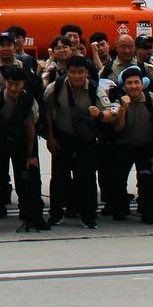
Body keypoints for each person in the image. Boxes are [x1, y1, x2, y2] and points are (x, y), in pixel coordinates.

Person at [0, 67, 46, 229]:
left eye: (17, 84)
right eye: (10, 83)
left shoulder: (29, 101)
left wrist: (30, 155)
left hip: (21, 141)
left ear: (23, 84)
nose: (13, 88)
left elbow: (30, 128)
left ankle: (30, 211)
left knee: (28, 176)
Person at [44, 55, 108, 228]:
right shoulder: (55, 87)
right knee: (58, 178)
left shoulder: (96, 90)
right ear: (67, 72)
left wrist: (101, 115)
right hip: (62, 138)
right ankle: (56, 214)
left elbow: (108, 112)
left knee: (86, 177)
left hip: (85, 140)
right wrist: (50, 137)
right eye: (73, 72)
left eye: (81, 72)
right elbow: (48, 112)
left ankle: (89, 216)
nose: (77, 76)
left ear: (87, 72)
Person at [107, 66, 153, 223]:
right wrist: (123, 109)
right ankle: (120, 208)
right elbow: (118, 128)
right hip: (123, 146)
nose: (133, 86)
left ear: (142, 84)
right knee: (118, 180)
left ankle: (148, 211)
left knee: (148, 180)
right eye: (129, 83)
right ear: (123, 86)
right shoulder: (118, 101)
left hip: (145, 145)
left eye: (136, 82)